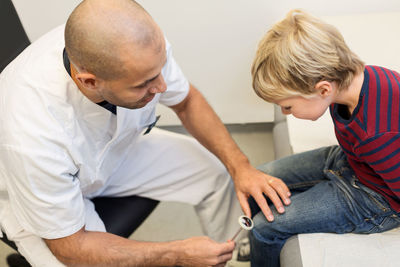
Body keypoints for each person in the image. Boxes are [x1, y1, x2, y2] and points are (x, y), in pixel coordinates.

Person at [0, 0, 292, 266]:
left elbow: (187, 102)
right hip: (28, 194)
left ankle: (231, 252)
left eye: (160, 69)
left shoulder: (134, 46)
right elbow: (72, 247)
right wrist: (175, 255)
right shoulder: (32, 135)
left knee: (217, 171)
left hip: (110, 154)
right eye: (143, 85)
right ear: (89, 82)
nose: (162, 87)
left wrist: (241, 167)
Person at [250, 9, 400, 267]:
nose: (287, 112)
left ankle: (260, 247)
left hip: (376, 198)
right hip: (353, 160)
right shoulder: (348, 82)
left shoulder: (378, 135)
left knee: (264, 229)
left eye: (288, 106)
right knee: (260, 183)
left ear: (322, 89)